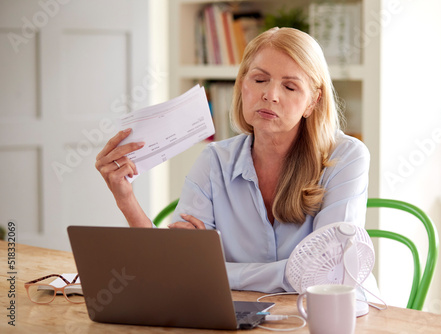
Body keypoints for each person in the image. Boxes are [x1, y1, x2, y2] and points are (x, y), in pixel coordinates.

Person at [96, 27, 370, 293]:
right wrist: (125, 199)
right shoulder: (213, 161)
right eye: (260, 80)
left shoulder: (346, 158)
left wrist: (215, 271)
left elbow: (327, 274)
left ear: (313, 101)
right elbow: (174, 264)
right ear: (242, 84)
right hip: (240, 317)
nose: (270, 95)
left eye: (289, 86)